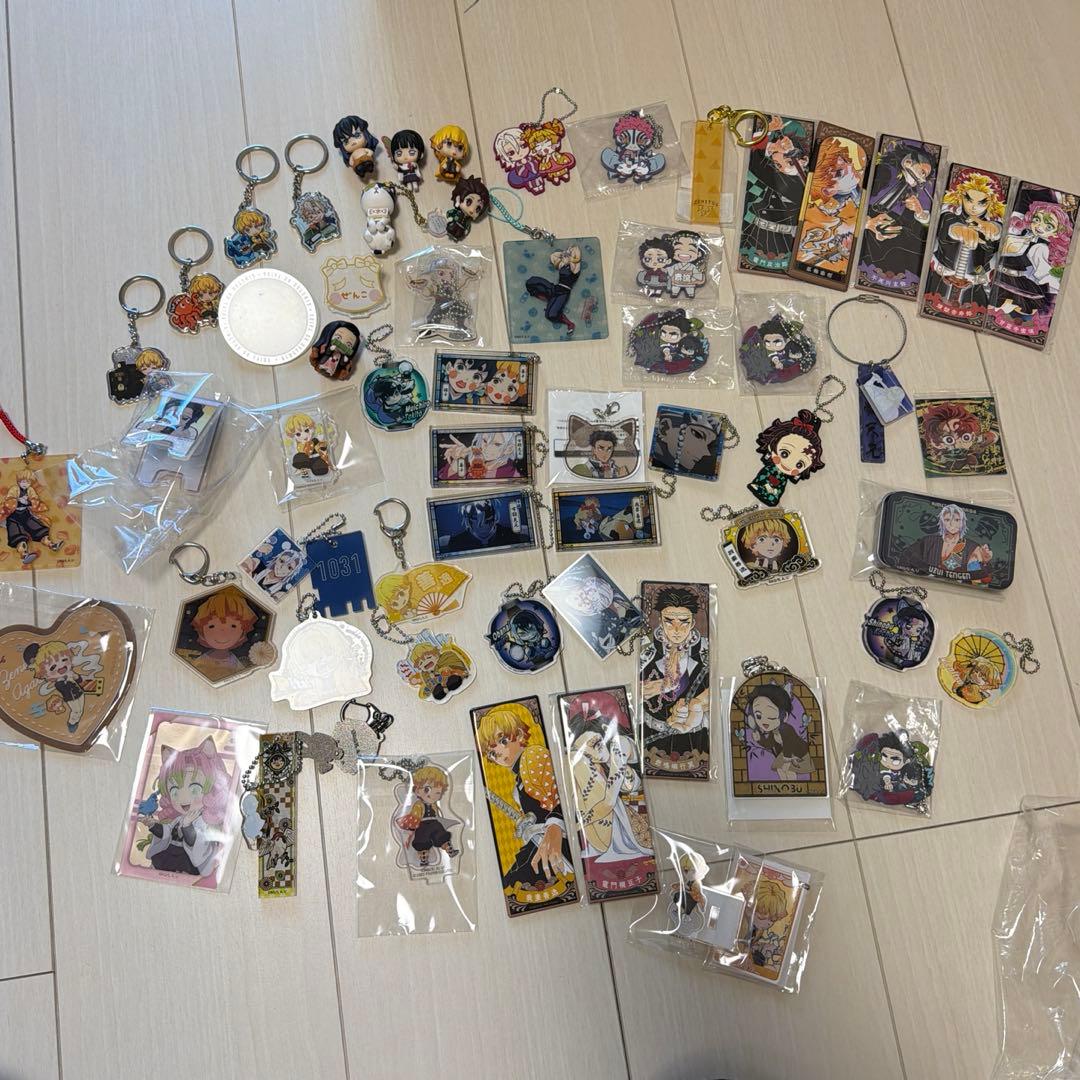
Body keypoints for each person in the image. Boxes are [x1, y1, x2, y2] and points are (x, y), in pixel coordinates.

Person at [639, 587, 709, 775]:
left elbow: (717, 684)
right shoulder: (645, 647)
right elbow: (628, 690)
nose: (677, 630)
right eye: (669, 622)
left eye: (684, 623)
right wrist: (659, 686)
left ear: (693, 622)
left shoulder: (705, 649)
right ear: (660, 621)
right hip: (650, 731)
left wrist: (697, 704)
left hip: (694, 736)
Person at [524, 245, 581, 335]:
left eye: (570, 253)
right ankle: (548, 299)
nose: (567, 255)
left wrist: (570, 257)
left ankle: (570, 324)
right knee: (532, 281)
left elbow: (575, 262)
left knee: (550, 315)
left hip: (563, 293)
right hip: (555, 288)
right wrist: (563, 254)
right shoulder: (563, 264)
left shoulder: (575, 267)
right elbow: (553, 256)